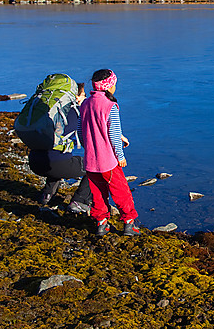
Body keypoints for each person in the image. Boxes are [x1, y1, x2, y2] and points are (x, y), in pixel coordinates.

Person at [78, 69, 141, 237]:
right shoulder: (110, 106)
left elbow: (80, 131)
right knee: (121, 192)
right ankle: (129, 223)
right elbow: (113, 134)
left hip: (91, 161)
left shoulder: (85, 104)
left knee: (97, 193)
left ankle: (101, 223)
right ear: (109, 86)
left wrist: (89, 148)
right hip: (109, 162)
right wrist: (120, 156)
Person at [28, 81, 94, 213]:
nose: (85, 98)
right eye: (83, 95)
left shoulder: (50, 112)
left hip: (34, 161)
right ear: (75, 97)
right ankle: (80, 201)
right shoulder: (77, 112)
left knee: (57, 155)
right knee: (95, 167)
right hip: (55, 165)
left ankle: (46, 195)